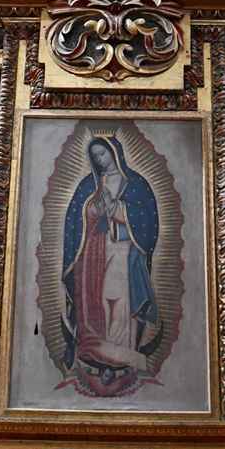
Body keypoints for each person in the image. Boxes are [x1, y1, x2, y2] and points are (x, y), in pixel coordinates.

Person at [61, 136, 161, 392]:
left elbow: (147, 223)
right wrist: (95, 210)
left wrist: (116, 208)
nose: (100, 160)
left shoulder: (136, 184)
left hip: (124, 252)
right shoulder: (88, 185)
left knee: (120, 303)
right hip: (94, 256)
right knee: (98, 303)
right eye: (95, 156)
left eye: (102, 154)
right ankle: (99, 355)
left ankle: (120, 356)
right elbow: (75, 222)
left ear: (115, 152)